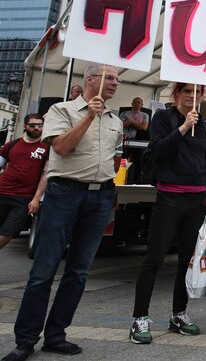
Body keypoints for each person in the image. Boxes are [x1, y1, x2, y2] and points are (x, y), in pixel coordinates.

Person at [3, 64, 122, 361]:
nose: (115, 83)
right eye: (110, 78)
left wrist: (111, 193)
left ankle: (56, 335)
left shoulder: (115, 121)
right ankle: (26, 340)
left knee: (78, 272)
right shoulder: (61, 110)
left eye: (118, 79)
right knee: (43, 271)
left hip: (100, 197)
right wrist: (88, 116)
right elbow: (62, 148)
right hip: (64, 194)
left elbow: (113, 158)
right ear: (91, 80)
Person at [129, 83, 206, 344]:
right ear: (177, 94)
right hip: (170, 196)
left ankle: (178, 313)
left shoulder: (203, 123)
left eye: (198, 92)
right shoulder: (163, 118)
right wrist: (182, 128)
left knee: (186, 260)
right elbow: (157, 151)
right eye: (187, 92)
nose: (193, 96)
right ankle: (139, 318)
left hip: (196, 198)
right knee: (154, 258)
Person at [0, 114, 49, 250]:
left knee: (9, 232)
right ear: (25, 126)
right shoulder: (13, 144)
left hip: (23, 198)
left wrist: (36, 199)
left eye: (40, 125)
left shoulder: (46, 148)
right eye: (33, 125)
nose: (37, 128)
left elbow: (46, 175)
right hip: (2, 191)